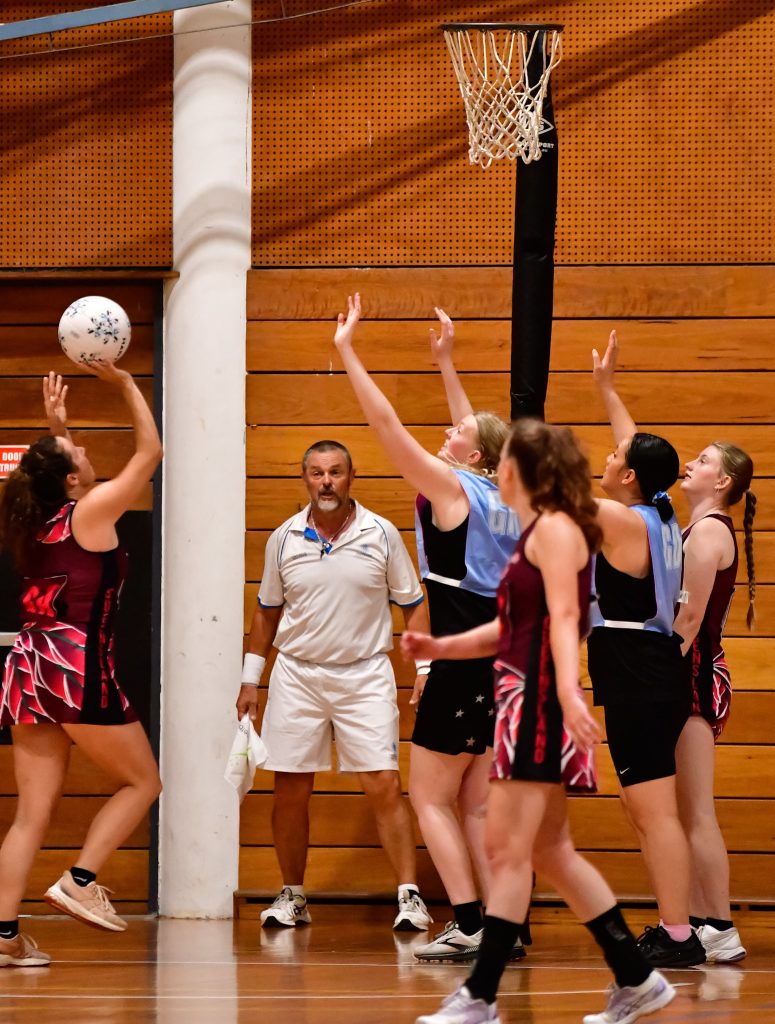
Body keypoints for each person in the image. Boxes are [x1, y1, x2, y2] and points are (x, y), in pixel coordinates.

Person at [404, 419, 675, 1024]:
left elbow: (561, 618)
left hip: (537, 700)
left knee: (507, 850)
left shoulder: (553, 530)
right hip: (524, 694)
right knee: (551, 851)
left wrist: (570, 696)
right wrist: (443, 648)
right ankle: (636, 979)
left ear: (520, 470)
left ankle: (479, 997)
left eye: (501, 464)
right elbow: (515, 627)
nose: (492, 469)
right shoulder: (537, 531)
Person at [333, 296, 522, 962]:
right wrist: (446, 363)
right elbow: (472, 430)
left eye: (460, 427)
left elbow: (384, 426)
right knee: (472, 804)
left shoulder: (452, 491)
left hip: (462, 652)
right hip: (499, 656)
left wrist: (348, 353)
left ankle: (468, 920)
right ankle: (500, 923)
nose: (451, 426)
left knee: (430, 799)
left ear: (477, 450)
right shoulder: (502, 495)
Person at [596, 335, 756, 963]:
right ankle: (705, 923)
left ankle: (714, 924)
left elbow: (684, 622)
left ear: (726, 480)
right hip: (679, 671)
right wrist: (608, 389)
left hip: (685, 671)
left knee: (693, 810)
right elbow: (639, 459)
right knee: (686, 809)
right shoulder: (674, 519)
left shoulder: (708, 533)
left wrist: (653, 666)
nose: (691, 462)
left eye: (704, 459)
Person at [0, 368, 163, 968]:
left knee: (30, 816)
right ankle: (79, 880)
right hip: (74, 668)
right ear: (71, 479)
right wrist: (122, 380)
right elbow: (152, 450)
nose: (88, 451)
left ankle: (2, 936)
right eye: (78, 452)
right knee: (145, 781)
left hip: (26, 669)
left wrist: (58, 431)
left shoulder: (38, 518)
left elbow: (61, 478)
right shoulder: (89, 513)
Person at [236, 440, 433, 932]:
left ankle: (409, 897)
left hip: (365, 673)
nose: (326, 481)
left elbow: (413, 603)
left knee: (383, 783)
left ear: (351, 477)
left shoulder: (382, 534)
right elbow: (266, 612)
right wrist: (249, 681)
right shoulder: (283, 538)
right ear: (304, 478)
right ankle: (293, 895)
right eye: (317, 473)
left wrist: (426, 667)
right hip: (297, 675)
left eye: (336, 472)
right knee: (289, 788)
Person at [590, 332, 705, 968]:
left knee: (653, 812)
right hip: (651, 669)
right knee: (649, 811)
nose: (606, 459)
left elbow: (558, 496)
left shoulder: (622, 518)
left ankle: (679, 935)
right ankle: (675, 928)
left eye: (614, 457)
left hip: (637, 674)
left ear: (628, 476)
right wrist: (608, 390)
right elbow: (638, 455)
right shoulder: (657, 508)